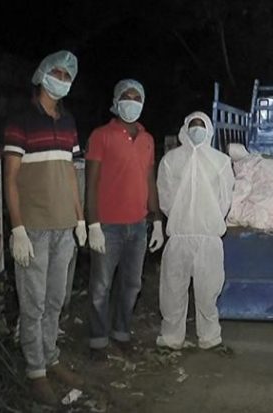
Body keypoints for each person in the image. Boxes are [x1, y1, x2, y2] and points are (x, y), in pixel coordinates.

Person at [3, 50, 86, 406]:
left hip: (64, 227)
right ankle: (35, 371)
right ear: (42, 74)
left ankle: (51, 357)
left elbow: (71, 173)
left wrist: (80, 218)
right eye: (58, 73)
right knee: (33, 304)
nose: (62, 79)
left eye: (68, 75)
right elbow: (10, 179)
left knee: (55, 301)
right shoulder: (20, 121)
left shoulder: (68, 122)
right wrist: (17, 228)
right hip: (34, 228)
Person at [86, 79, 164, 359]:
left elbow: (149, 180)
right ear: (116, 101)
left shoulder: (147, 139)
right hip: (108, 226)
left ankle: (121, 332)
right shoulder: (101, 136)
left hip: (139, 225)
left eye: (137, 98)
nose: (132, 102)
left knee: (132, 285)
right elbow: (91, 183)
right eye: (126, 97)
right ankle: (98, 340)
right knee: (101, 286)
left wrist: (157, 220)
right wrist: (92, 223)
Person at [156, 111, 235, 355]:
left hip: (209, 237)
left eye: (202, 124)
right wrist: (178, 216)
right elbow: (165, 195)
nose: (197, 129)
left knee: (208, 292)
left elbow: (225, 198)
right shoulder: (171, 160)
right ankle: (171, 337)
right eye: (193, 124)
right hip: (179, 235)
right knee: (173, 290)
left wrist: (209, 218)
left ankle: (210, 337)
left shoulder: (220, 161)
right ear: (185, 128)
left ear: (209, 129)